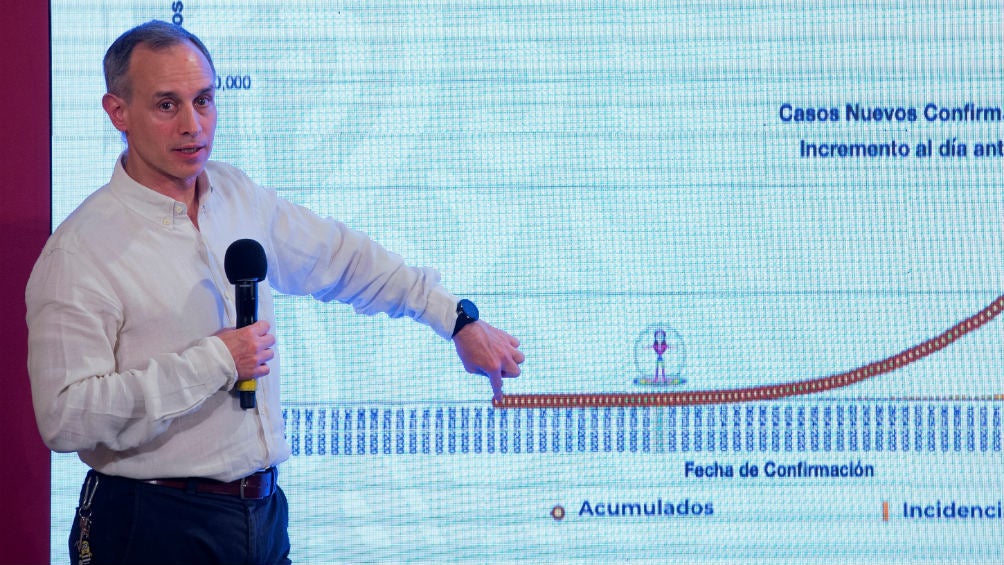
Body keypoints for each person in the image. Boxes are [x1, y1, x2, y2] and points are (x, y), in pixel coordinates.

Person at [26, 20, 524, 565]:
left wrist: (456, 319)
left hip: (261, 515)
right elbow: (66, 416)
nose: (193, 125)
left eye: (203, 100)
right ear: (117, 112)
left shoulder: (235, 195)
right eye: (167, 105)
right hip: (152, 522)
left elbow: (343, 258)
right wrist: (215, 361)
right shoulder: (81, 251)